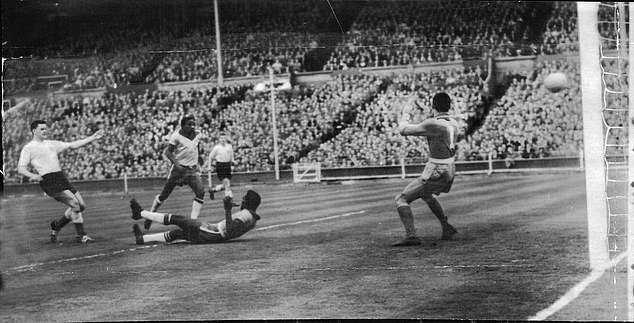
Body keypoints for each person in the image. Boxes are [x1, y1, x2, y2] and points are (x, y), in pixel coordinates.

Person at [17, 120, 104, 243]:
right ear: (34, 131)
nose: (45, 131)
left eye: (45, 128)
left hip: (60, 177)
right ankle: (81, 235)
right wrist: (34, 176)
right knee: (75, 204)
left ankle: (57, 225)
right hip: (49, 180)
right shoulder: (29, 148)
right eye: (42, 129)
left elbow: (72, 145)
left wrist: (92, 138)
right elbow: (21, 168)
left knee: (81, 205)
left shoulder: (52, 144)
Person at [392, 93, 460, 246]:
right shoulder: (454, 123)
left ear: (433, 106)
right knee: (427, 195)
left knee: (401, 199)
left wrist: (406, 112)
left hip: (437, 168)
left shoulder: (433, 123)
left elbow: (403, 130)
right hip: (450, 167)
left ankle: (411, 236)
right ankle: (446, 227)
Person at [130, 190, 261, 244]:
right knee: (178, 233)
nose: (242, 201)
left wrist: (227, 209)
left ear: (249, 202)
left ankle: (140, 213)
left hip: (211, 232)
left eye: (244, 199)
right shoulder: (252, 218)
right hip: (213, 235)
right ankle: (142, 239)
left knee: (178, 219)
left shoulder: (246, 215)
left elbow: (231, 229)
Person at [146, 116, 206, 230]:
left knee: (201, 192)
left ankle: (193, 222)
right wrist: (178, 166)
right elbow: (168, 152)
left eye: (194, 124)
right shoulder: (176, 136)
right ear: (182, 126)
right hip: (179, 170)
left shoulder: (198, 134)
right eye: (189, 124)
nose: (192, 127)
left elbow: (197, 147)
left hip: (192, 170)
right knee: (164, 195)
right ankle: (150, 215)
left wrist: (199, 160)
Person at [207, 132, 236, 198]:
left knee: (225, 185)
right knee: (227, 182)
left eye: (224, 138)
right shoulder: (217, 148)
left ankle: (213, 190)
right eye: (221, 138)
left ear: (226, 138)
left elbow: (231, 156)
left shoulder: (229, 146)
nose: (223, 139)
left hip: (227, 165)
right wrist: (209, 167)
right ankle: (229, 199)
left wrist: (233, 162)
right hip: (220, 166)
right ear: (219, 139)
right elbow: (210, 157)